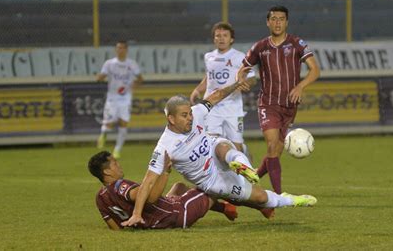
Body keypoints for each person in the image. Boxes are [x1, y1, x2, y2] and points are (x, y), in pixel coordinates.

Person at [122, 81, 317, 227]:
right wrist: (137, 214)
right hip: (212, 181)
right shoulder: (164, 147)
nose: (190, 118)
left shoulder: (197, 113)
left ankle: (244, 168)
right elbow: (148, 181)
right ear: (171, 119)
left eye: (190, 113)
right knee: (260, 198)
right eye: (184, 115)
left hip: (215, 151)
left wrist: (236, 85)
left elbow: (215, 96)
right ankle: (292, 200)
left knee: (222, 147)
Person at [236, 5, 320, 194]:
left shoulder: (297, 43)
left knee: (275, 153)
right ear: (268, 22)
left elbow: (315, 70)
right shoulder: (260, 47)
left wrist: (300, 86)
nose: (277, 22)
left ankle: (254, 176)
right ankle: (279, 196)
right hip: (268, 103)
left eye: (281, 19)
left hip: (290, 106)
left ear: (287, 22)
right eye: (273, 19)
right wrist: (241, 79)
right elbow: (242, 69)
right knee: (272, 146)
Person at [88, 151, 238, 230]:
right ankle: (254, 201)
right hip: (177, 214)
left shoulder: (100, 197)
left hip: (156, 219)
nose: (119, 165)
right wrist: (165, 172)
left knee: (179, 186)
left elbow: (115, 228)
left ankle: (225, 208)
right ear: (107, 172)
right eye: (114, 163)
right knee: (211, 185)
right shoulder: (120, 186)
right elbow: (151, 198)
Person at [190, 22, 256, 155]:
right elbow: (209, 77)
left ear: (231, 39)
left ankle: (244, 156)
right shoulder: (209, 57)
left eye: (225, 35)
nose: (221, 38)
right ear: (214, 39)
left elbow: (253, 77)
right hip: (211, 107)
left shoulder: (240, 57)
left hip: (232, 108)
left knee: (236, 148)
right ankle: (217, 175)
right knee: (210, 144)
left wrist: (246, 83)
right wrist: (197, 90)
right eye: (218, 36)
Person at [96, 40, 143, 159]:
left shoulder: (132, 64)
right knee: (110, 123)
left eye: (122, 48)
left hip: (125, 98)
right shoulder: (109, 64)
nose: (120, 50)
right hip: (112, 98)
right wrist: (99, 77)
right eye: (118, 48)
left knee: (123, 122)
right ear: (115, 50)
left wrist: (135, 84)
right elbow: (101, 77)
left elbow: (140, 78)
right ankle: (104, 133)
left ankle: (117, 150)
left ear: (126, 50)